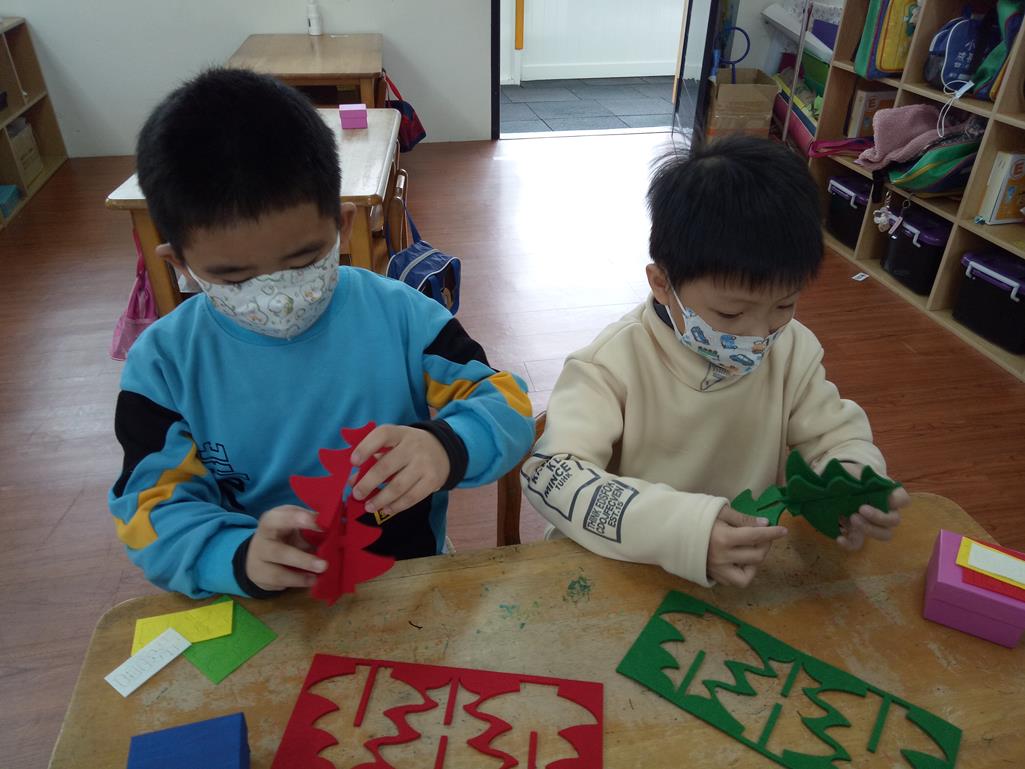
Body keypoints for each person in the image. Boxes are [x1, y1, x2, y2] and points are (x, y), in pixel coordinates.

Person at [109, 68, 534, 598]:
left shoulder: (402, 316)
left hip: (407, 577)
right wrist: (234, 555)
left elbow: (507, 405)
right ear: (181, 264)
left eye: (304, 259)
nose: (276, 295)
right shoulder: (164, 364)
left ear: (342, 223)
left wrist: (446, 446)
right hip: (259, 594)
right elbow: (149, 509)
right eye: (234, 277)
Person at [521, 135, 909, 588]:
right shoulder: (611, 365)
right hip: (625, 574)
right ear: (662, 284)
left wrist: (853, 483)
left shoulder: (792, 350)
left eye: (784, 305)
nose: (759, 336)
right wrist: (685, 532)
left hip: (744, 573)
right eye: (730, 314)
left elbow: (834, 439)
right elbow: (553, 475)